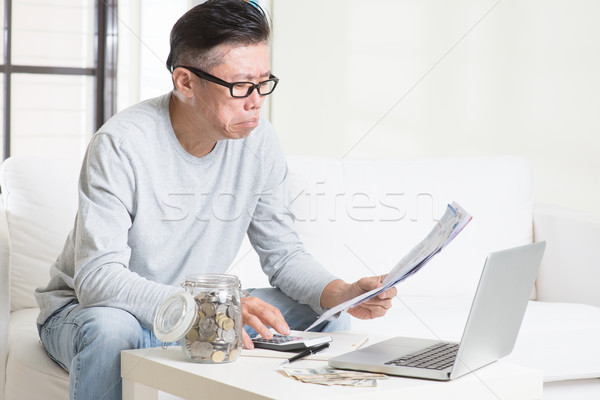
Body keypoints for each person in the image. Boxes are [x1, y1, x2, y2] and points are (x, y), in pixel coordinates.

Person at [35, 1, 397, 399]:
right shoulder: (121, 144)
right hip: (101, 311)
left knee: (325, 316)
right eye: (241, 85)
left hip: (204, 310)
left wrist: (341, 293)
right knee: (112, 331)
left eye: (264, 82)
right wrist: (216, 307)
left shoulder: (258, 140)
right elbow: (97, 279)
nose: (256, 100)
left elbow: (284, 255)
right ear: (185, 82)